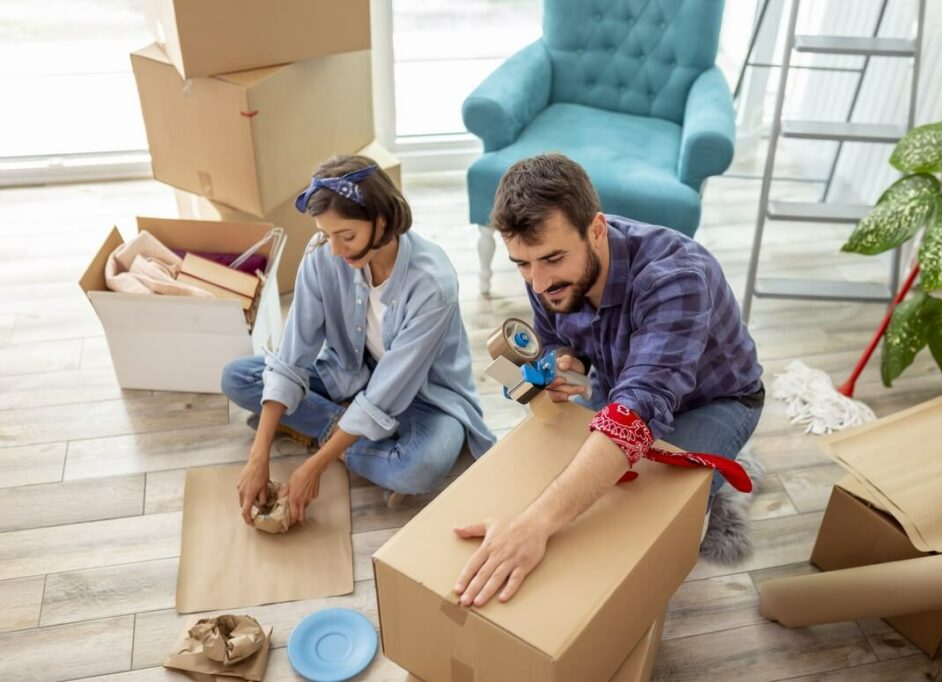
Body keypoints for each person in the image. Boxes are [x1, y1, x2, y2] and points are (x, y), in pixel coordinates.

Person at [453, 153, 763, 607]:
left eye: (552, 259)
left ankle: (714, 485)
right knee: (559, 473)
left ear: (596, 229)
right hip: (621, 387)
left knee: (641, 526)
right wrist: (565, 362)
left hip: (714, 400)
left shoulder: (676, 277)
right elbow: (560, 338)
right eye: (522, 264)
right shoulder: (547, 267)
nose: (537, 283)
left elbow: (638, 409)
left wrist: (535, 524)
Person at [222, 154, 495, 525]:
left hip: (426, 397)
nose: (334, 248)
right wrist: (259, 456)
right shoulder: (324, 254)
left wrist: (312, 468)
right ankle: (345, 432)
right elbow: (292, 355)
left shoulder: (433, 285)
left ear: (381, 221)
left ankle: (321, 431)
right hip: (349, 373)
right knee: (237, 378)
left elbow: (389, 390)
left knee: (418, 469)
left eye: (346, 236)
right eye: (326, 234)